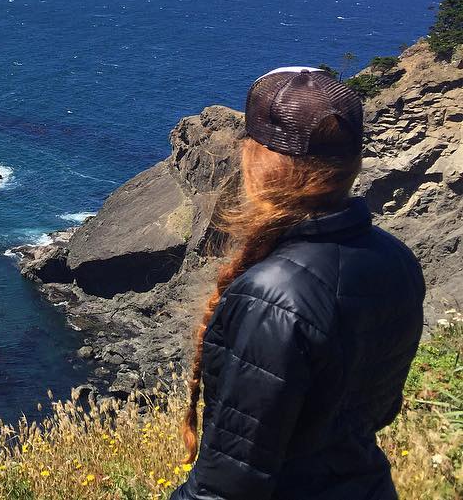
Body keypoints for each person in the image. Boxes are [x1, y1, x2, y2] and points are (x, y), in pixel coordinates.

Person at [171, 67, 425, 500]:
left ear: (260, 162)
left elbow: (228, 486)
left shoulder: (272, 296)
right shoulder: (395, 258)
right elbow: (381, 409)